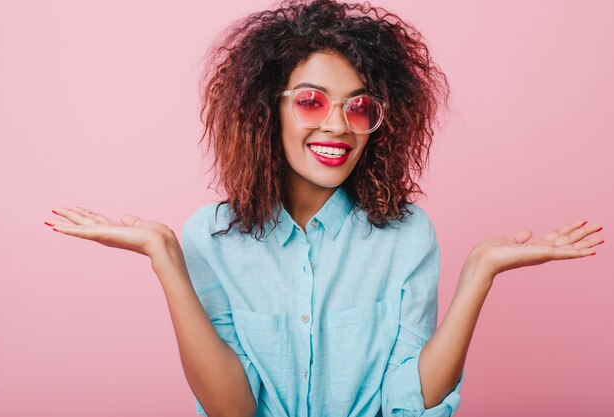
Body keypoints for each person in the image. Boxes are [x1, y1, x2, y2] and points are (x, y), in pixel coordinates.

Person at [44, 0, 604, 416]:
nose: (337, 124)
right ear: (268, 108)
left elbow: (407, 402)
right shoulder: (209, 238)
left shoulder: (406, 236)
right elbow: (231, 408)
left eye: (359, 107)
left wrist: (480, 270)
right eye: (312, 100)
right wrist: (165, 258)